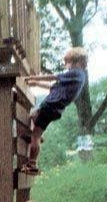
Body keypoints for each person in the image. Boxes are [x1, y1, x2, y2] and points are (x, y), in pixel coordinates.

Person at [21, 47, 88, 175]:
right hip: (54, 108)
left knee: (35, 134)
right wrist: (36, 83)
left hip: (50, 106)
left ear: (78, 62)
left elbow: (53, 77)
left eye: (69, 63)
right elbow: (53, 87)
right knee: (33, 115)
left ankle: (32, 164)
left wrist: (34, 78)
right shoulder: (77, 78)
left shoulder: (76, 73)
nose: (67, 66)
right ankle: (37, 139)